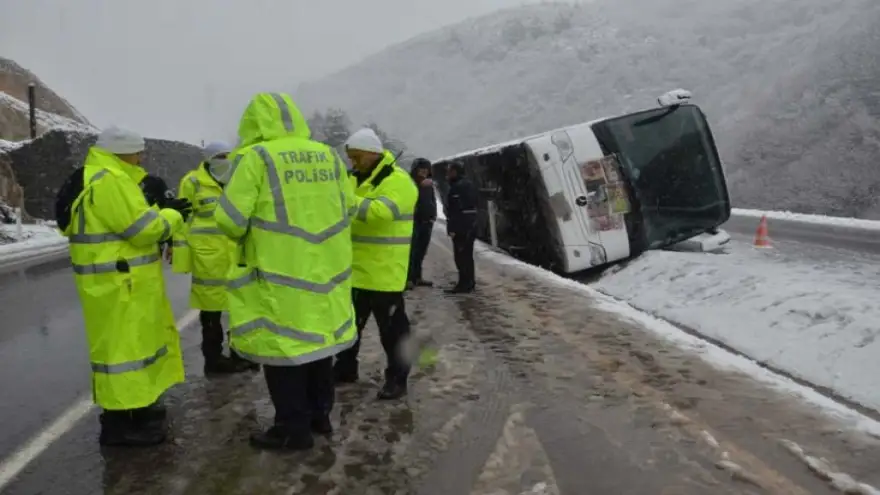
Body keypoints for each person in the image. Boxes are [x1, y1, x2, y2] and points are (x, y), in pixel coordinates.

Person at [215, 92, 357, 451]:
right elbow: (350, 208)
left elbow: (229, 221)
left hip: (279, 275)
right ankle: (319, 416)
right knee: (318, 347)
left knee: (283, 354)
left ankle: (292, 430)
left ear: (254, 123)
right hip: (326, 271)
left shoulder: (256, 158)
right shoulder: (328, 155)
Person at [60, 126, 193, 446]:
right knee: (123, 354)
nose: (141, 157)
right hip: (119, 283)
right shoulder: (109, 180)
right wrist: (172, 215)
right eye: (138, 151)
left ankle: (139, 409)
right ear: (123, 152)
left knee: (134, 348)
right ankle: (120, 425)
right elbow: (142, 229)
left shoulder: (98, 176)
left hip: (118, 283)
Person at [333, 128, 418, 400]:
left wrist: (343, 202)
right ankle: (345, 369)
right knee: (348, 329)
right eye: (350, 158)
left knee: (393, 334)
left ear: (373, 154)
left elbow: (381, 213)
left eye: (357, 157)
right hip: (353, 271)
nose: (353, 163)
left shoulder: (399, 181)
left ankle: (398, 379)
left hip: (384, 273)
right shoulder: (351, 179)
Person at [169, 141, 256, 375]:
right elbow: (182, 219)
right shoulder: (193, 182)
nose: (224, 160)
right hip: (207, 258)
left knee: (241, 307)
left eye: (227, 156)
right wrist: (180, 254)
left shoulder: (239, 179)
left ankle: (240, 353)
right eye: (219, 156)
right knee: (211, 312)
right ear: (208, 159)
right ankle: (214, 359)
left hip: (236, 253)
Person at [445, 161, 479, 293]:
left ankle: (464, 284)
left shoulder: (457, 187)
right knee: (467, 256)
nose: (447, 174)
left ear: (455, 172)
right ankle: (469, 282)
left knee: (461, 256)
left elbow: (455, 211)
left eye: (449, 171)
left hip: (462, 227)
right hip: (470, 225)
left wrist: (453, 229)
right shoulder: (468, 184)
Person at [406, 158, 437, 290]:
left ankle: (417, 277)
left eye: (426, 170)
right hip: (414, 222)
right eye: (421, 170)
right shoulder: (409, 183)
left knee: (421, 252)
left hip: (427, 222)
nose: (424, 172)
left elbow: (432, 201)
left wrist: (433, 215)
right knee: (412, 252)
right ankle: (408, 279)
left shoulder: (429, 185)